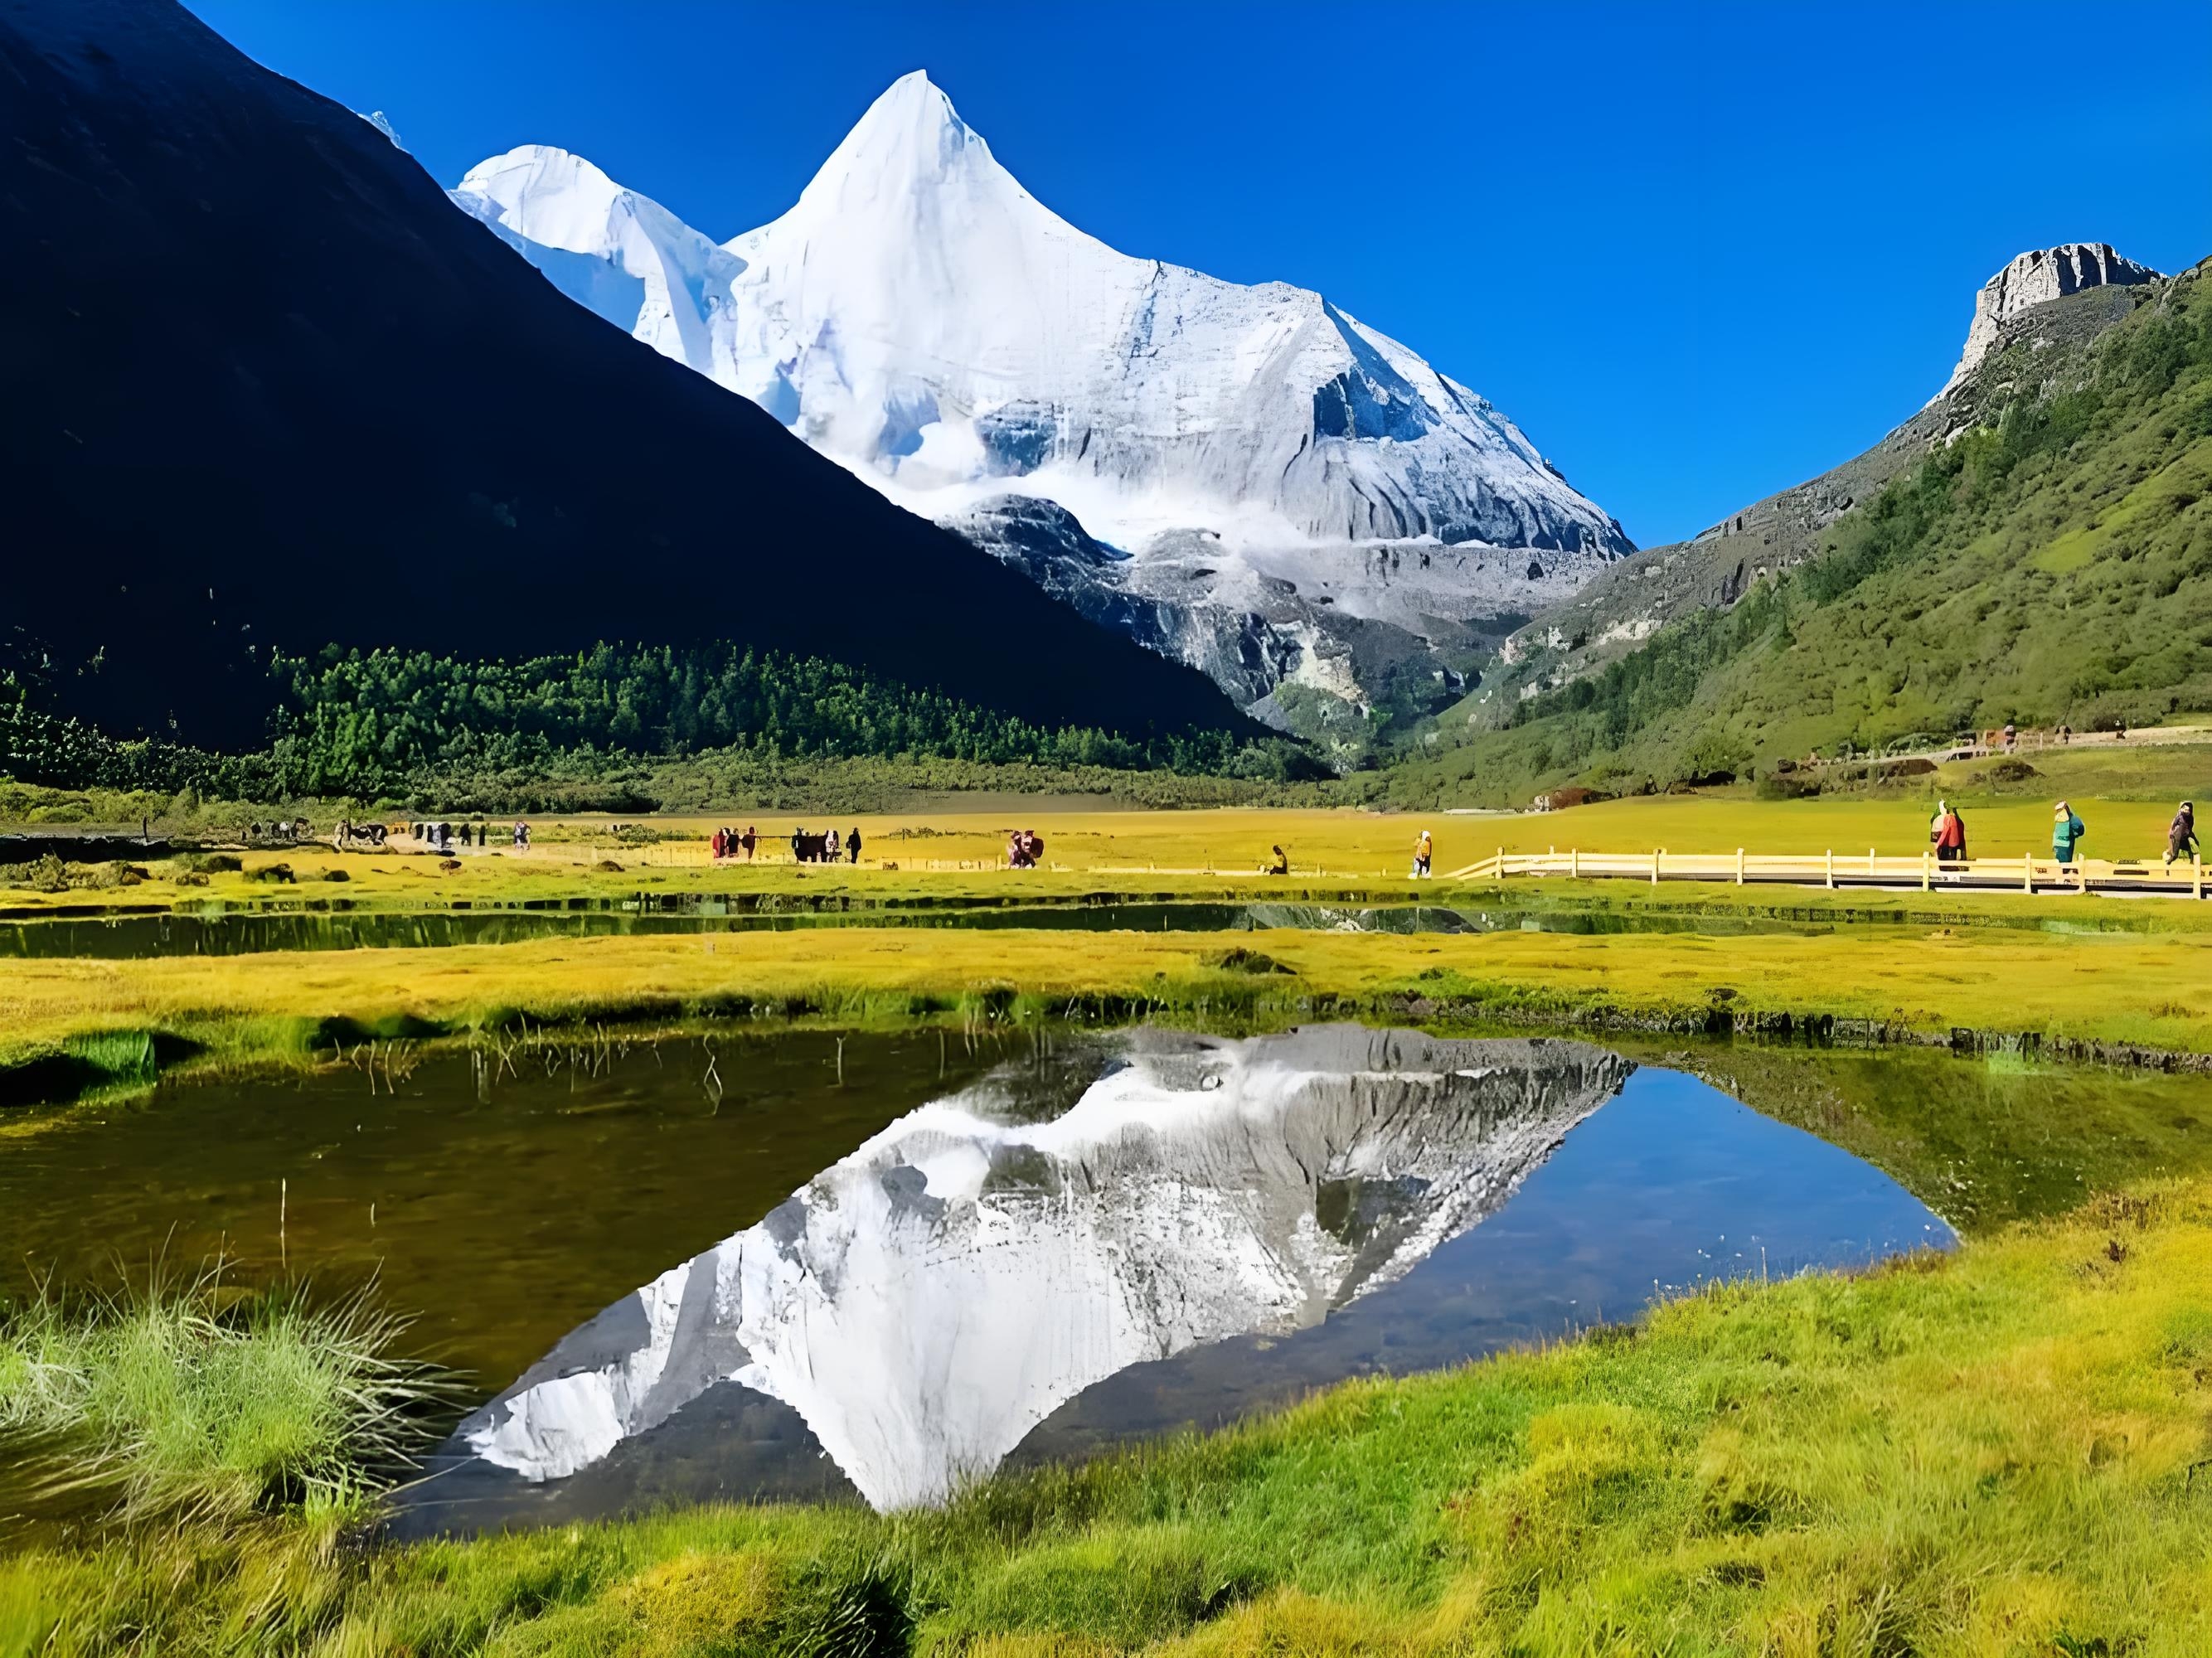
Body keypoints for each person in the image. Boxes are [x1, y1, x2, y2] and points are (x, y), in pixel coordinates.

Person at [2166, 801, 2199, 870]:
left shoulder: (2191, 818)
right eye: (2185, 809)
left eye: (2187, 810)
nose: (2186, 811)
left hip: (2187, 833)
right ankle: (2173, 856)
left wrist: (2188, 833)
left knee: (2195, 843)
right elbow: (2174, 824)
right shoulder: (2180, 816)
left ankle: (2193, 860)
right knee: (2176, 843)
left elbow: (2190, 826)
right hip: (2178, 834)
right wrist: (2173, 830)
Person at [2053, 800, 2086, 866]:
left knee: (2063, 866)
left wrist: (2074, 834)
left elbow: (2079, 828)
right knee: (2063, 866)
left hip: (2062, 845)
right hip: (2062, 846)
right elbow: (2080, 828)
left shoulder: (2069, 819)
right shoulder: (2069, 819)